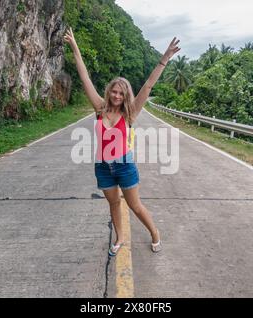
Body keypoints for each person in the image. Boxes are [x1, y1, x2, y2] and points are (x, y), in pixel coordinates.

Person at [64, 27, 181, 256]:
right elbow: (84, 76)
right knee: (113, 204)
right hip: (102, 167)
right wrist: (74, 45)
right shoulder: (99, 108)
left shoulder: (130, 114)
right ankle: (120, 238)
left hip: (124, 165)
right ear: (109, 92)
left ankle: (154, 232)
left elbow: (147, 86)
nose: (117, 96)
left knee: (134, 206)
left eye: (121, 93)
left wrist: (164, 58)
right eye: (114, 92)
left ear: (126, 96)